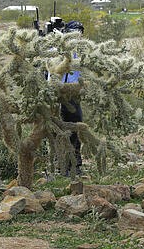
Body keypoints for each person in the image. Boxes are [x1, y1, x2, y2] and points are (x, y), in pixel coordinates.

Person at [60, 20, 85, 175]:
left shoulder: (82, 51)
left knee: (75, 128)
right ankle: (62, 165)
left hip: (74, 95)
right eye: (75, 32)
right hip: (58, 94)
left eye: (80, 32)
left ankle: (75, 164)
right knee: (60, 130)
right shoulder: (59, 49)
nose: (79, 35)